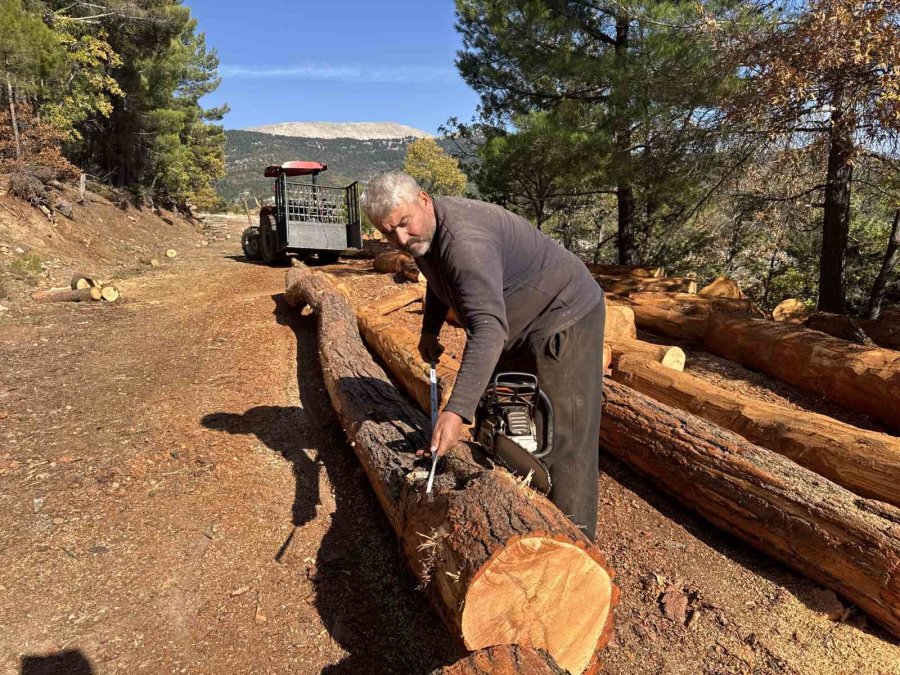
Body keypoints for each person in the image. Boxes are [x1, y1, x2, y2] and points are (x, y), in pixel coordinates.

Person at [361, 172, 605, 540]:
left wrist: (457, 410)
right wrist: (430, 330)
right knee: (507, 413)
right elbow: (439, 280)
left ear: (423, 200)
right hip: (518, 319)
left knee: (562, 433)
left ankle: (576, 540)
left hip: (564, 315)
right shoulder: (426, 235)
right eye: (388, 232)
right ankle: (518, 517)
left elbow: (489, 328)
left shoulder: (466, 242)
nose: (400, 238)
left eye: (403, 224)